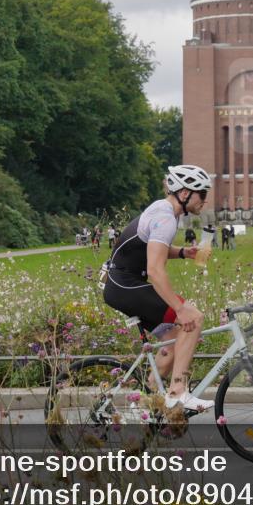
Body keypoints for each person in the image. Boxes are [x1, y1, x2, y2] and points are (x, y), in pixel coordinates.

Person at [102, 164, 213, 412]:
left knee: (172, 342)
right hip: (125, 285)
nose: (204, 201)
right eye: (201, 194)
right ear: (184, 194)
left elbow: (155, 247)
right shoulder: (165, 218)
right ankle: (177, 391)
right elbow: (155, 269)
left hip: (123, 284)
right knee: (192, 318)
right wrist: (179, 309)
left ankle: (145, 403)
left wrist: (184, 252)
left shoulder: (163, 210)